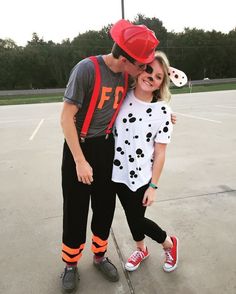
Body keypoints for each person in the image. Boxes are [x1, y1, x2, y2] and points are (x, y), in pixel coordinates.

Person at [60, 19, 160, 293]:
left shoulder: (128, 76)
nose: (143, 69)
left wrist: (162, 114)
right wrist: (80, 161)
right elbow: (66, 118)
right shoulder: (86, 70)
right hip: (78, 148)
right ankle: (70, 263)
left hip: (107, 147)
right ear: (125, 58)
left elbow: (141, 100)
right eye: (140, 63)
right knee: (76, 209)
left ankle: (100, 255)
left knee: (104, 207)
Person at [112, 51, 186, 273]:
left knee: (136, 219)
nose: (151, 77)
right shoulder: (121, 96)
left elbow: (161, 153)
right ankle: (141, 249)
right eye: (149, 70)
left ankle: (169, 244)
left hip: (142, 176)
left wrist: (153, 186)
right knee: (130, 216)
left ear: (161, 84)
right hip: (116, 173)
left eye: (158, 76)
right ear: (140, 69)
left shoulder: (162, 111)